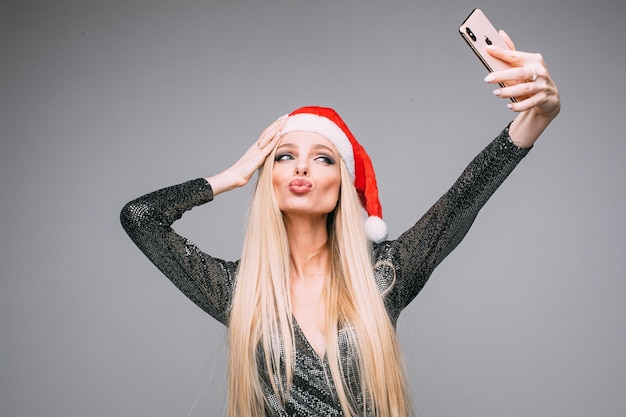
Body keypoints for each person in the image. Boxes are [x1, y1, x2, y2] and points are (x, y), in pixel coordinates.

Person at [120, 31, 560, 417]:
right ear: (268, 175)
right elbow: (140, 218)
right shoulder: (241, 291)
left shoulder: (383, 275)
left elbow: (463, 199)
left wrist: (536, 117)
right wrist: (232, 176)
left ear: (343, 184)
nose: (302, 168)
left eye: (323, 157)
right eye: (285, 155)